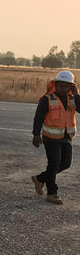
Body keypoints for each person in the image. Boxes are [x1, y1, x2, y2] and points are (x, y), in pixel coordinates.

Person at [31, 70, 80, 204]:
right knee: (54, 164)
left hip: (66, 137)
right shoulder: (47, 99)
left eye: (66, 86)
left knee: (65, 164)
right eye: (60, 85)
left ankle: (40, 178)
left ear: (71, 87)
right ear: (55, 84)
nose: (63, 88)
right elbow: (38, 118)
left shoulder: (73, 99)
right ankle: (52, 193)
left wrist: (77, 95)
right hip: (50, 138)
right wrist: (36, 134)